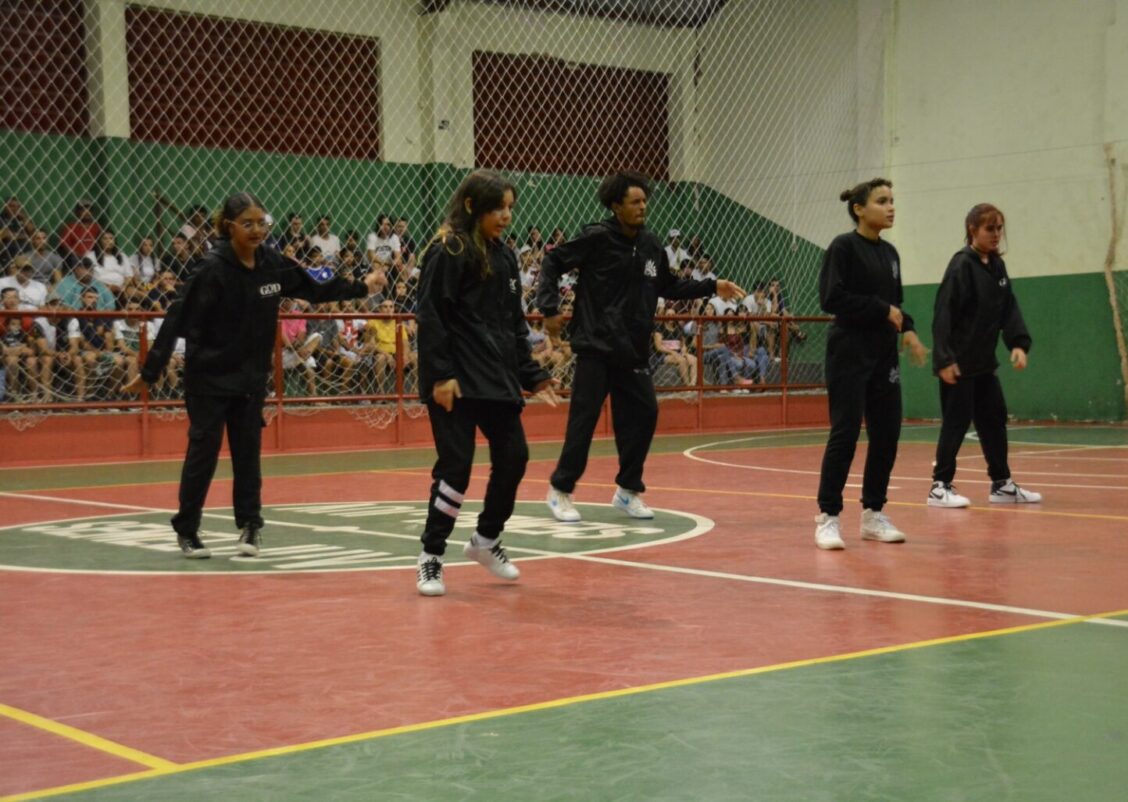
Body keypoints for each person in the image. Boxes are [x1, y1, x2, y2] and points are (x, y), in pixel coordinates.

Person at [122, 192, 385, 559]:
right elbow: (176, 318)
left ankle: (250, 526)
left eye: (262, 222)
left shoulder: (272, 264)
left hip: (249, 380)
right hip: (209, 379)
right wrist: (150, 371)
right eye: (248, 223)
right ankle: (188, 529)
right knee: (204, 453)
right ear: (229, 227)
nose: (257, 229)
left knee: (248, 454)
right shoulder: (211, 271)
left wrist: (362, 286)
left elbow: (314, 286)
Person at [536, 171, 744, 522]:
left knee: (645, 413)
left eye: (645, 201)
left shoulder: (650, 244)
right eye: (635, 202)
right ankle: (560, 490)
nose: (643, 207)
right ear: (616, 206)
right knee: (583, 421)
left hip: (632, 350)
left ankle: (627, 490)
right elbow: (553, 261)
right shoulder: (597, 238)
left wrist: (712, 285)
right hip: (596, 346)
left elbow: (669, 286)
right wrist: (550, 308)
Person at [413, 169, 559, 596]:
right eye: (498, 208)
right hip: (456, 382)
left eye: (511, 208)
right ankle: (431, 557)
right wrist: (441, 375)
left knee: (514, 457)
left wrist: (533, 375)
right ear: (473, 206)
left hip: (497, 380)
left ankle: (486, 540)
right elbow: (431, 316)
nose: (506, 216)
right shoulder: (448, 249)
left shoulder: (506, 256)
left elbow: (512, 324)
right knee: (456, 469)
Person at [814, 178, 928, 550]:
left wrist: (907, 329)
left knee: (887, 434)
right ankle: (828, 517)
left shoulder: (890, 253)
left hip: (883, 354)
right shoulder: (843, 248)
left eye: (893, 200)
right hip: (849, 350)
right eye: (882, 201)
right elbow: (831, 298)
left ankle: (873, 515)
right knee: (845, 433)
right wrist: (883, 310)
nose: (891, 207)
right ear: (859, 209)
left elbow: (895, 304)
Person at [929, 203, 1041, 507]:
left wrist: (1018, 343)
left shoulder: (996, 266)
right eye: (989, 228)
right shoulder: (961, 266)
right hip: (958, 364)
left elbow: (1008, 308)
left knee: (993, 420)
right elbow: (943, 315)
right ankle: (940, 487)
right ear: (972, 230)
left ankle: (1002, 485)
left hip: (983, 364)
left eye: (999, 228)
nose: (996, 235)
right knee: (956, 422)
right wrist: (944, 359)